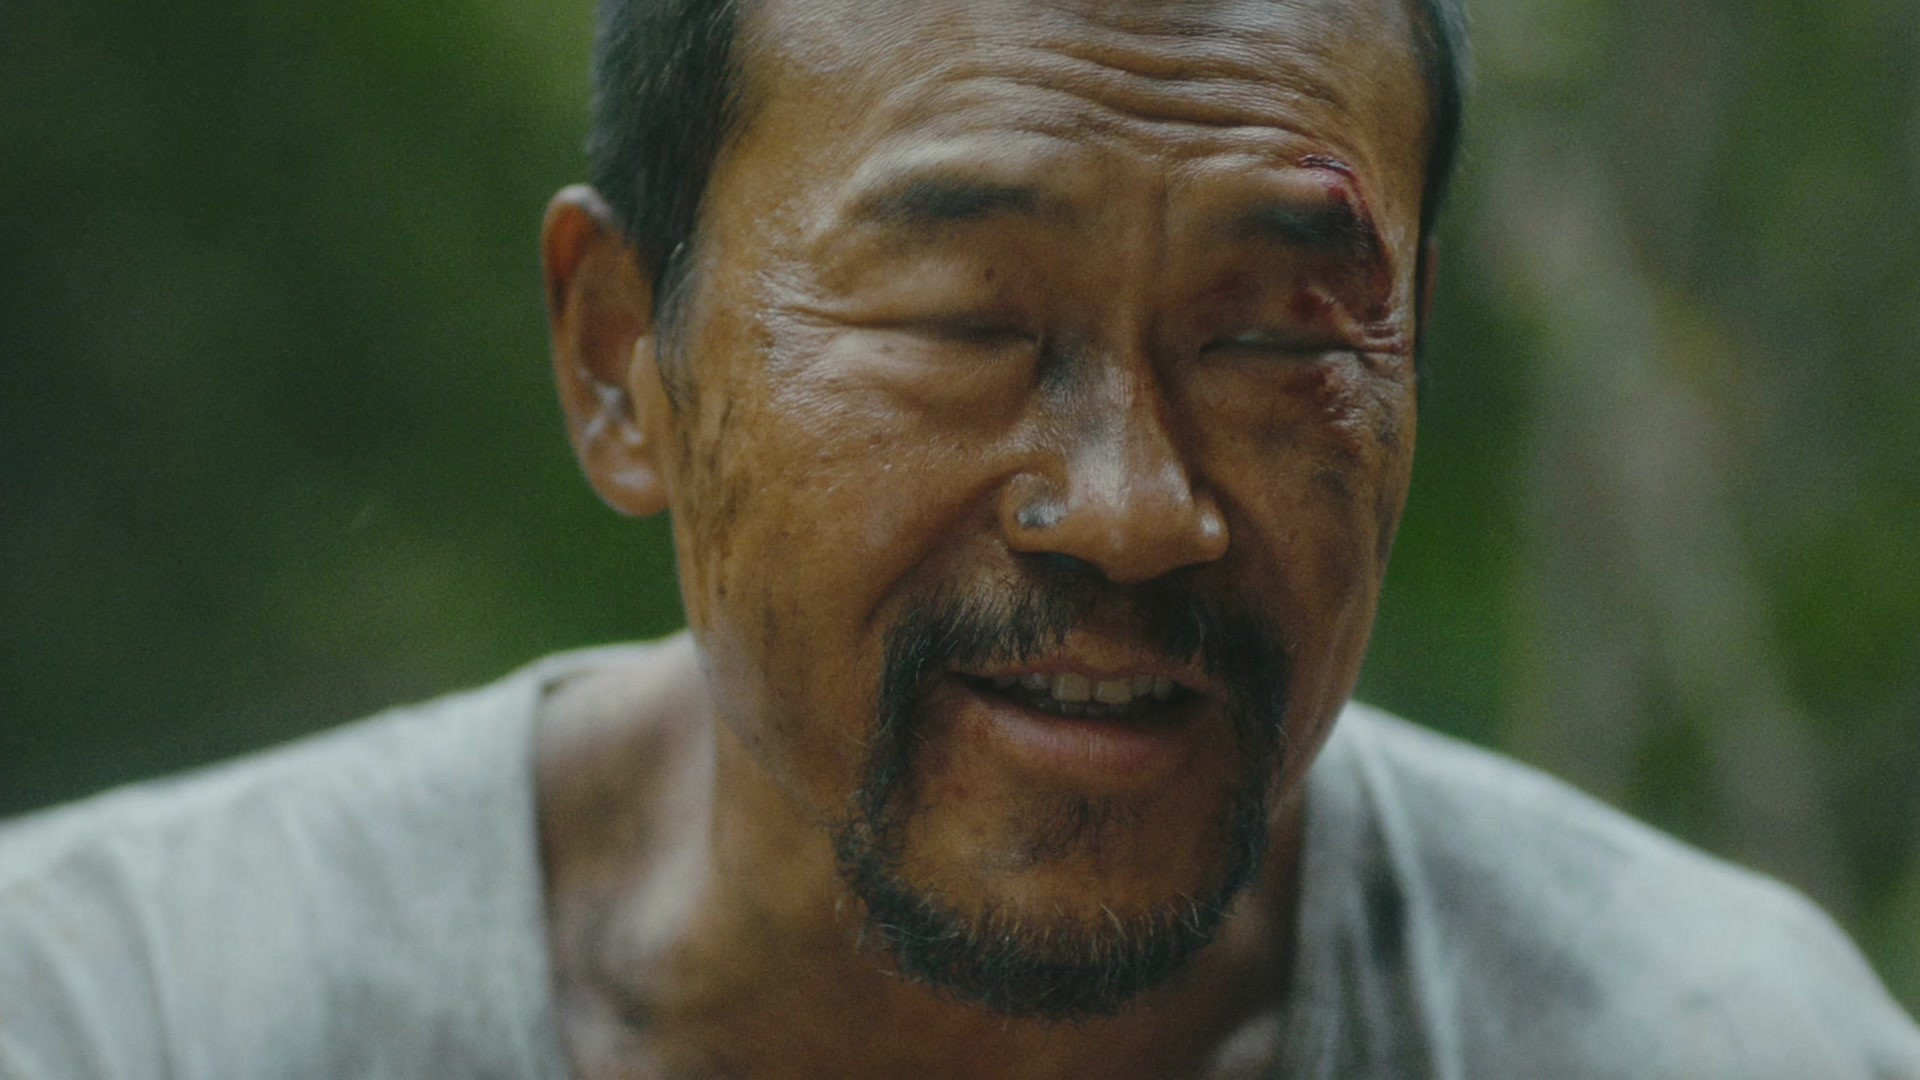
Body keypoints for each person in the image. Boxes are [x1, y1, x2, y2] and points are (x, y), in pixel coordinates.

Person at [2, 0, 1916, 1075]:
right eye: (965, 318)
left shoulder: (1709, 1041)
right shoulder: (121, 1016)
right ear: (619, 363)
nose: (1134, 507)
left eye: (1276, 337)